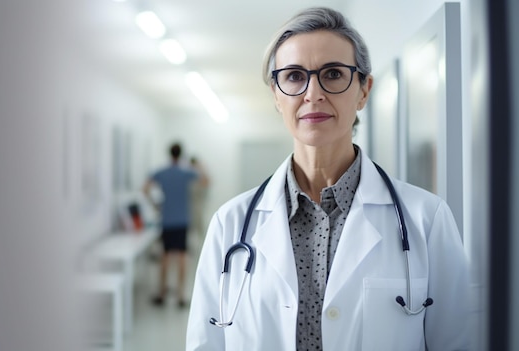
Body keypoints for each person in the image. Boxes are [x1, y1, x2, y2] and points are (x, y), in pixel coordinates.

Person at [186, 7, 470, 351]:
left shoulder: (427, 220)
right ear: (276, 95)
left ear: (364, 90)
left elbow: (458, 342)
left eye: (333, 74)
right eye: (293, 76)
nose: (312, 93)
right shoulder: (229, 224)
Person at [143, 142, 209, 308]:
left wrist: (154, 204)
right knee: (182, 257)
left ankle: (162, 293)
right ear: (181, 154)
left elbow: (145, 188)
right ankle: (180, 295)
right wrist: (199, 165)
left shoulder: (162, 172)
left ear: (169, 154)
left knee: (165, 256)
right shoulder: (186, 172)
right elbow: (205, 181)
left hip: (167, 219)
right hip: (182, 220)